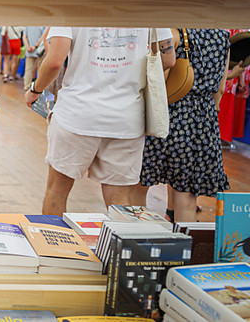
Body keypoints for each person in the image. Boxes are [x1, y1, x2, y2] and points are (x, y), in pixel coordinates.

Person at [24, 27, 176, 216]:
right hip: (126, 118)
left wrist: (35, 90)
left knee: (57, 191)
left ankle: (52, 236)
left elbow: (55, 61)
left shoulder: (69, 9)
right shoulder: (150, 10)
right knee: (120, 200)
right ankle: (119, 236)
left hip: (76, 115)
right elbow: (168, 59)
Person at [134, 29, 231, 223]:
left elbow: (160, 78)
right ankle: (184, 242)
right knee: (186, 198)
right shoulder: (222, 36)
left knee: (139, 187)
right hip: (204, 120)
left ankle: (137, 236)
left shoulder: (175, 32)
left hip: (169, 115)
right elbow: (220, 89)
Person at [22, 26, 48, 92]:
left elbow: (24, 36)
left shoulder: (28, 24)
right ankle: (38, 89)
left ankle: (27, 87)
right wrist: (35, 46)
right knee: (40, 70)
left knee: (28, 69)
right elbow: (43, 36)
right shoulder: (45, 24)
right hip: (40, 50)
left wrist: (27, 46)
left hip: (29, 50)